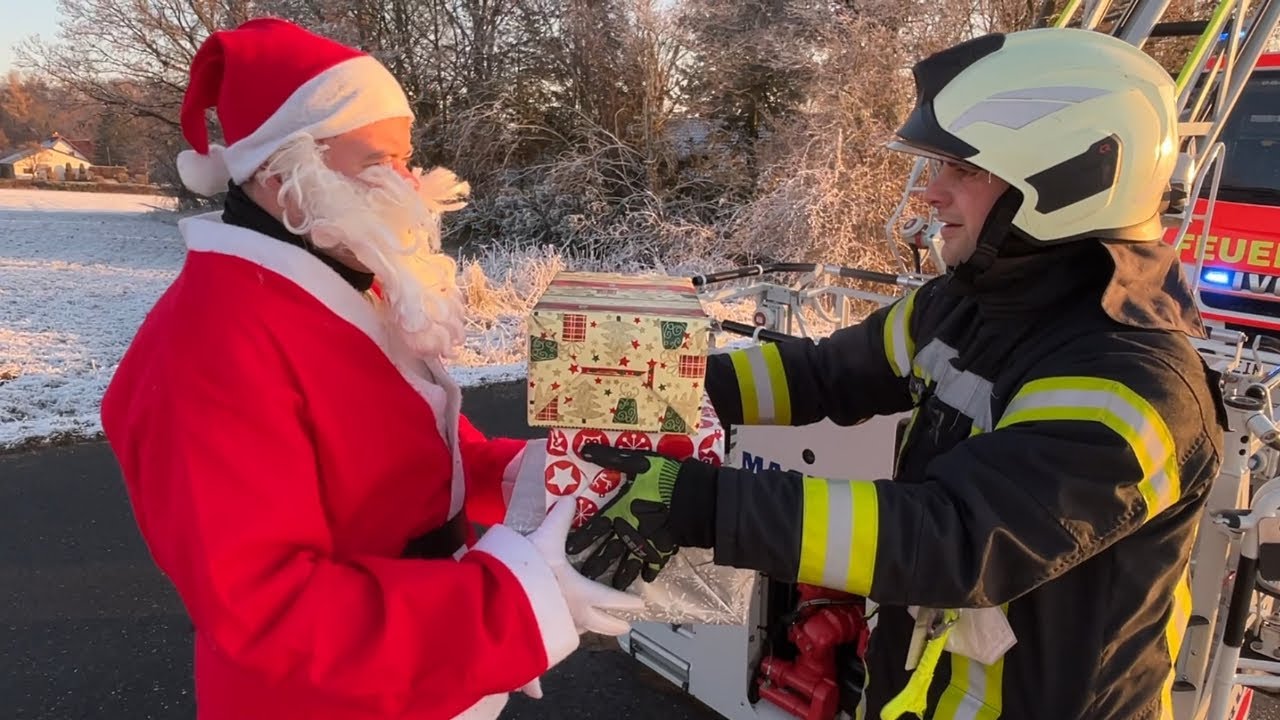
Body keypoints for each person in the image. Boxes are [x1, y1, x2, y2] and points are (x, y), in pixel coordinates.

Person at [567, 27, 1230, 720]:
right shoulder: (973, 304)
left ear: (1066, 180)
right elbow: (825, 375)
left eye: (964, 169)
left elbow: (955, 537)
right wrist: (651, 381)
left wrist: (707, 504)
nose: (932, 193)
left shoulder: (1136, 381)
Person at [100, 17, 643, 720]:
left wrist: (515, 474)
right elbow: (268, 609)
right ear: (282, 172)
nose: (410, 185)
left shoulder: (343, 277)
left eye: (408, 159)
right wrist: (509, 608)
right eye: (379, 161)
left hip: (418, 682)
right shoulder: (210, 346)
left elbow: (398, 458)